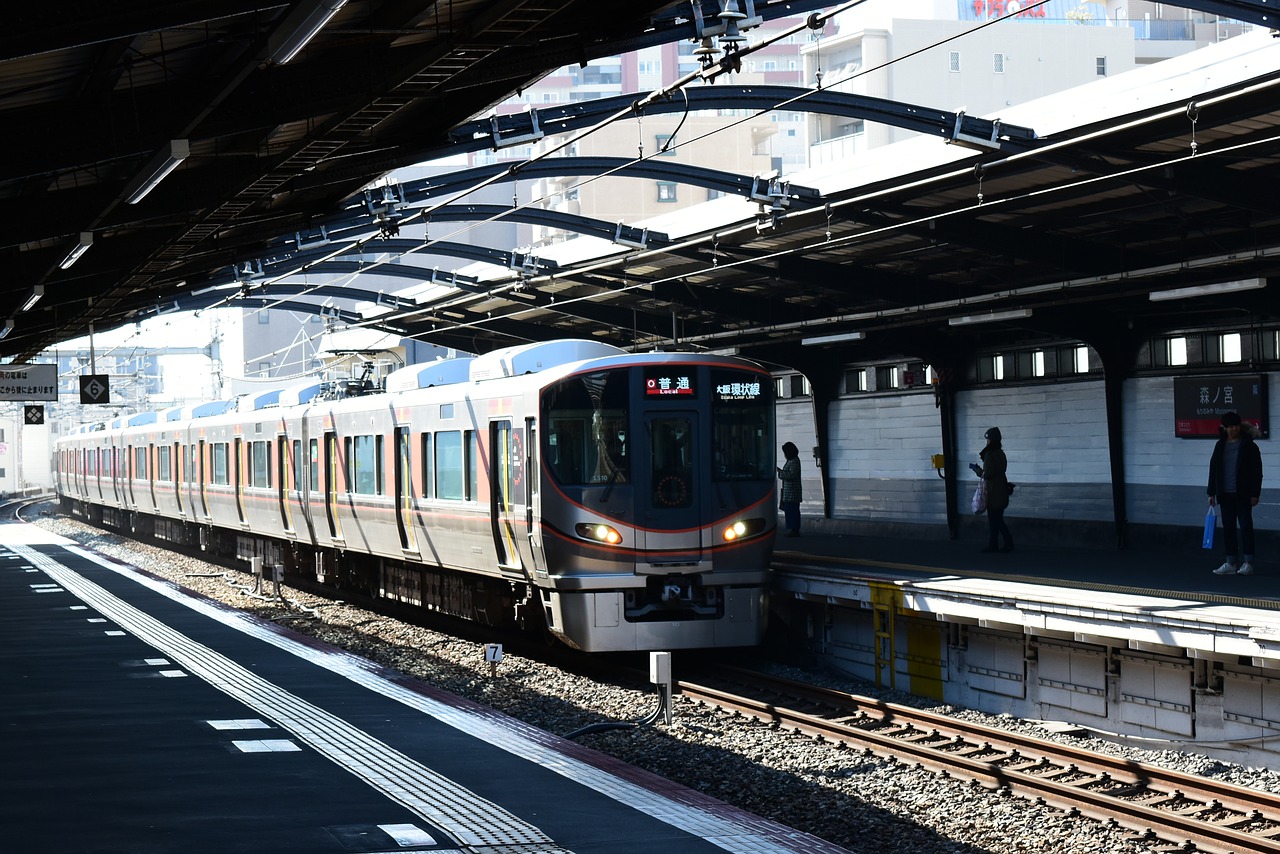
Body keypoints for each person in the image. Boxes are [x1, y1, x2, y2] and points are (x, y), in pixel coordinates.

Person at [1208, 411, 1263, 576]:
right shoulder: (1220, 445)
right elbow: (1213, 469)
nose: (1234, 429)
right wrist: (1211, 492)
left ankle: (1248, 562)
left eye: (1236, 426)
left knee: (1246, 526)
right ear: (1224, 428)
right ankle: (1231, 561)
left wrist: (1255, 493)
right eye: (1230, 427)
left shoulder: (1249, 446)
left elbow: (1257, 471)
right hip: (1225, 493)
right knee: (1228, 528)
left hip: (1243, 493)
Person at [970, 427, 1013, 553]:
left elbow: (987, 474)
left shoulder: (989, 454)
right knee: (997, 518)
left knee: (995, 519)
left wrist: (977, 470)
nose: (986, 441)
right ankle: (1000, 543)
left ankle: (1000, 543)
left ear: (991, 440)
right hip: (1002, 488)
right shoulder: (1001, 453)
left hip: (993, 491)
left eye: (988, 439)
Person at [777, 441, 802, 537]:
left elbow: (791, 475)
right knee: (791, 510)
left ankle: (794, 530)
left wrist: (780, 473)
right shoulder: (793, 461)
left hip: (792, 491)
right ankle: (793, 529)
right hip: (790, 491)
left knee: (792, 511)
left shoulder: (794, 461)